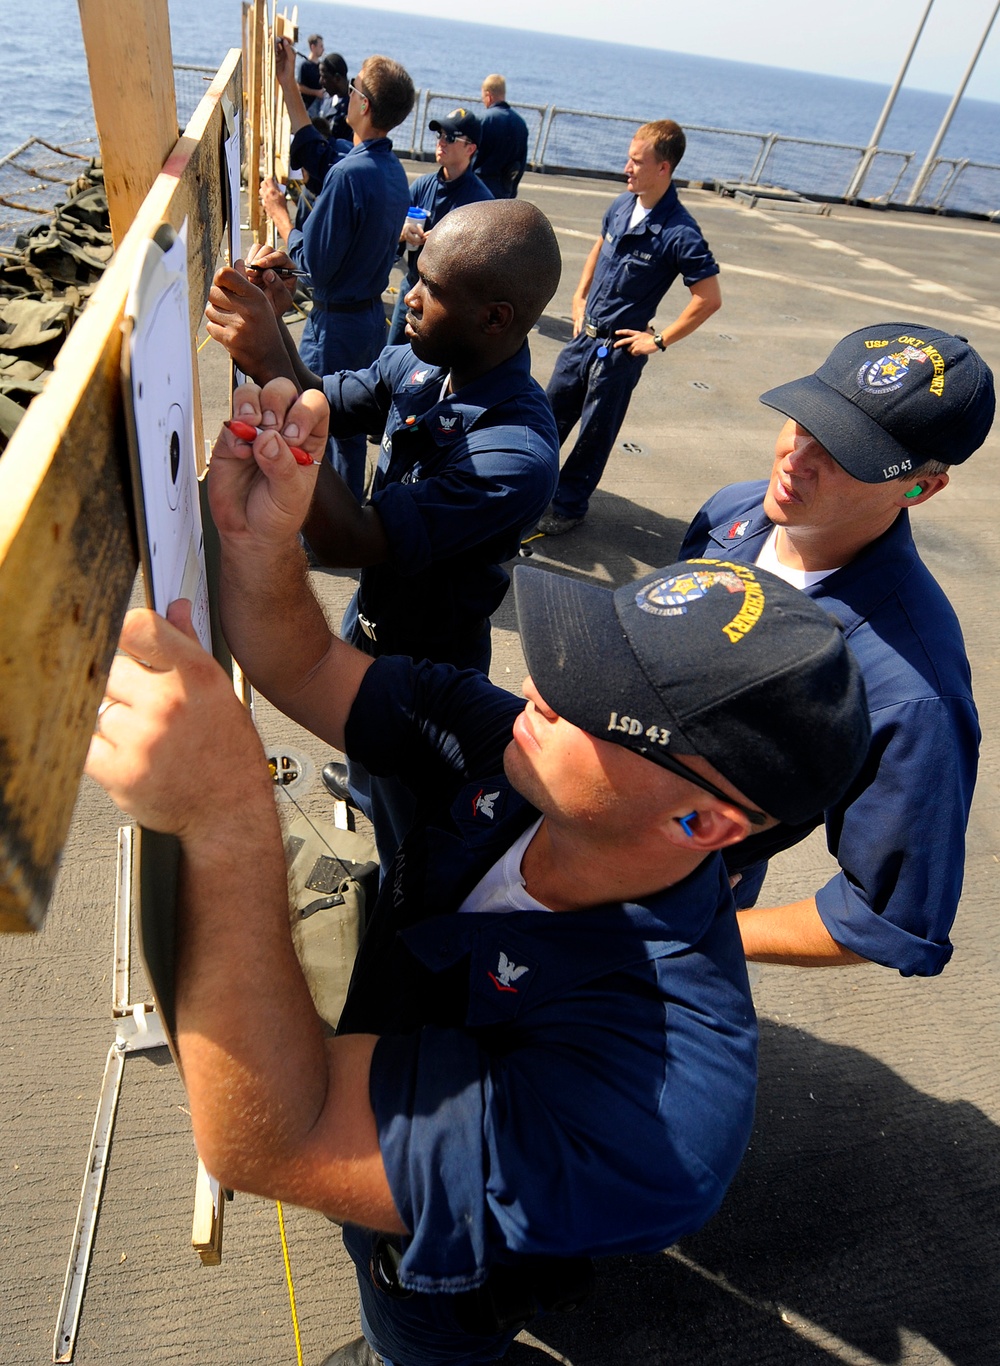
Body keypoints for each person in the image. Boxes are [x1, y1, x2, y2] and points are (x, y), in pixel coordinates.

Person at [85, 374, 870, 1363]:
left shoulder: (656, 1105)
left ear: (702, 819)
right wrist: (257, 539)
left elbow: (276, 1139)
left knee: (417, 1337)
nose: (540, 685)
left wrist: (227, 816)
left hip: (440, 1268)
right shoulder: (515, 746)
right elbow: (314, 668)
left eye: (596, 698)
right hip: (379, 1111)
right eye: (583, 649)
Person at [205, 200, 562, 866]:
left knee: (415, 830)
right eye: (413, 275)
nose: (409, 299)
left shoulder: (515, 455)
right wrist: (275, 324)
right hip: (371, 621)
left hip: (428, 666)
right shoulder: (427, 364)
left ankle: (395, 902)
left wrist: (265, 365)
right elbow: (320, 394)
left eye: (431, 290)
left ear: (496, 317)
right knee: (370, 762)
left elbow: (349, 540)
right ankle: (368, 783)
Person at [679, 322, 995, 977]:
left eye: (847, 453)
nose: (797, 458)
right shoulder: (730, 517)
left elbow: (883, 918)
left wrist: (702, 931)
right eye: (803, 420)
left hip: (682, 881)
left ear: (919, 488)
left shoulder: (909, 685)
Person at [538, 120, 722, 536]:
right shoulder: (622, 205)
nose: (627, 168)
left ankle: (568, 507)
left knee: (594, 435)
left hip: (619, 351)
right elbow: (600, 246)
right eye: (628, 158)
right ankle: (528, 487)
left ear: (664, 168)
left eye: (637, 162)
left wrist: (657, 340)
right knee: (547, 415)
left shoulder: (681, 233)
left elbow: (709, 298)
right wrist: (579, 297)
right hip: (584, 338)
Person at [259, 39, 414, 499]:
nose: (347, 94)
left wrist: (281, 216)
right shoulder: (389, 170)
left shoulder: (351, 174)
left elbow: (315, 268)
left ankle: (320, 527)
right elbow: (318, 152)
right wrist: (288, 83)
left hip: (335, 327)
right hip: (369, 320)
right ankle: (347, 513)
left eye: (353, 89)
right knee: (346, 429)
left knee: (309, 422)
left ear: (362, 104)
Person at [385, 107, 493, 347]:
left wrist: (452, 245)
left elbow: (486, 266)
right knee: (391, 356)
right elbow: (390, 233)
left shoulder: (482, 202)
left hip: (450, 305)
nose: (441, 142)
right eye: (440, 135)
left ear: (471, 149)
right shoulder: (423, 186)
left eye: (451, 137)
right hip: (412, 289)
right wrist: (402, 232)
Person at [475, 74, 529, 198]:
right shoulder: (520, 123)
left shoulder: (484, 120)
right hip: (505, 189)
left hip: (480, 188)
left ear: (488, 95)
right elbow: (521, 161)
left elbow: (471, 156)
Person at [316, 52, 352, 143]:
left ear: (337, 78)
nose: (320, 81)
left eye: (324, 77)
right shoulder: (327, 98)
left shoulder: (353, 106)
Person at [296, 32, 325, 113]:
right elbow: (300, 87)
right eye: (321, 46)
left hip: (320, 106)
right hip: (308, 107)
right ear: (313, 47)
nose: (323, 49)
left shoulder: (321, 66)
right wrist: (316, 93)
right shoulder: (304, 65)